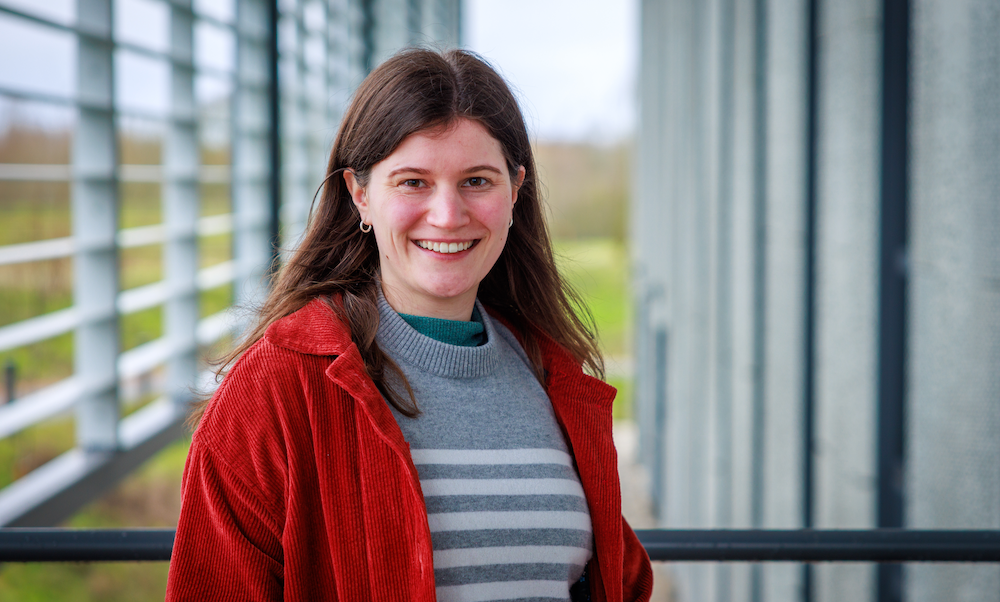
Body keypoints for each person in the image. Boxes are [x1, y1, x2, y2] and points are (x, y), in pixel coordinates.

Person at [165, 48, 652, 602]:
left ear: (515, 191)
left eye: (477, 180)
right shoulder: (276, 389)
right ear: (360, 194)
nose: (447, 215)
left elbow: (620, 582)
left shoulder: (558, 377)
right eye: (413, 182)